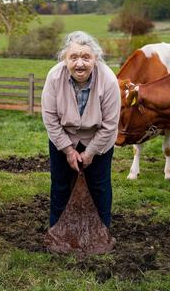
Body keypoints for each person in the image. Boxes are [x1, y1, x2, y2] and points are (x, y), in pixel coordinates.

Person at [41, 31, 120, 228]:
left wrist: (91, 152)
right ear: (64, 59)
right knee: (60, 185)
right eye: (73, 57)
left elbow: (110, 124)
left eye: (86, 57)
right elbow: (50, 118)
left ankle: (102, 229)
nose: (80, 64)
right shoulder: (54, 77)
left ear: (96, 59)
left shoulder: (109, 81)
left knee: (99, 186)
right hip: (63, 137)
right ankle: (58, 229)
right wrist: (68, 150)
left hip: (99, 139)